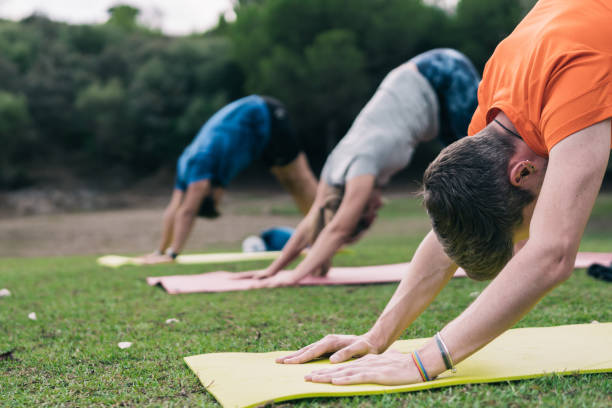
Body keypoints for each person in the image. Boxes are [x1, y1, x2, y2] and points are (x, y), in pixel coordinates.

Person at [275, 0, 612, 386]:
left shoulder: (575, 84)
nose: (534, 229)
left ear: (522, 174)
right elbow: (454, 221)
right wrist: (377, 336)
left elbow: (551, 253)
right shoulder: (496, 103)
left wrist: (423, 361)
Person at [238, 48, 481, 288]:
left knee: (479, 160)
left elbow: (339, 229)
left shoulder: (362, 164)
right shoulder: (336, 166)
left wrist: (294, 276)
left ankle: (510, 246)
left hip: (440, 73)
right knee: (465, 164)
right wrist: (272, 270)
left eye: (368, 215)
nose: (377, 210)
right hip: (426, 85)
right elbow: (311, 223)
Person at [141, 95, 318, 264]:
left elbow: (188, 210)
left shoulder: (199, 164)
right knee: (288, 179)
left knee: (298, 178)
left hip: (264, 113)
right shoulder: (187, 163)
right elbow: (175, 207)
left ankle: (326, 231)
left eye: (215, 202)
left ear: (206, 192)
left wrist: (173, 253)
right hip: (258, 129)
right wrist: (160, 252)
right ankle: (318, 234)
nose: (221, 199)